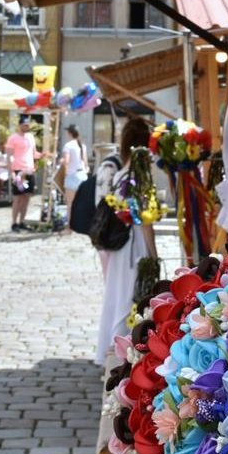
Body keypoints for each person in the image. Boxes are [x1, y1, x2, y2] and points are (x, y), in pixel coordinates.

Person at [96, 117, 154, 364]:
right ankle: (122, 352)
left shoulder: (121, 173)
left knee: (118, 295)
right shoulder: (138, 175)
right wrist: (152, 252)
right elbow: (144, 218)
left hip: (121, 246)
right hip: (135, 243)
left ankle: (112, 350)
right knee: (132, 296)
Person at [4, 121, 38, 232]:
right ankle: (14, 223)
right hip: (18, 170)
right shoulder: (13, 138)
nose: (27, 127)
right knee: (17, 198)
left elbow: (34, 153)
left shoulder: (31, 137)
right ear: (19, 125)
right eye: (25, 125)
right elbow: (8, 157)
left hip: (29, 170)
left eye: (28, 125)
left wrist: (44, 154)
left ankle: (22, 221)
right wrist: (12, 172)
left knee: (26, 198)